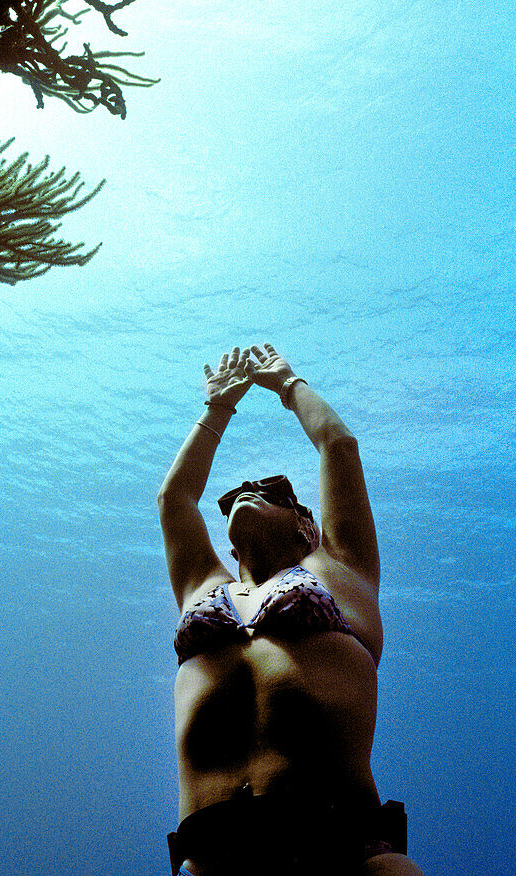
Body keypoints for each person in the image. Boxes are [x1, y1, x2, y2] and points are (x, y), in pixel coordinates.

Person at [158, 343, 425, 875]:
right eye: (236, 493)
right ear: (230, 547)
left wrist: (287, 382)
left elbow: (339, 446)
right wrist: (218, 409)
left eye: (272, 491)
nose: (247, 492)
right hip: (214, 852)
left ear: (307, 526)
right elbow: (175, 499)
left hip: (343, 843)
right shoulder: (201, 586)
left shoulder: (340, 571)